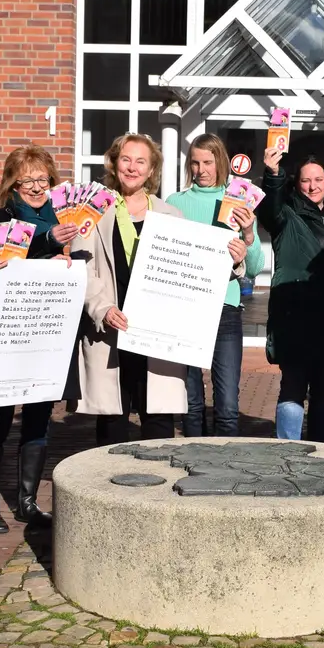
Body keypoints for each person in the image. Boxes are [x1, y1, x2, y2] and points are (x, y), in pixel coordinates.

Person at [72, 134, 246, 444]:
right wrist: (103, 309)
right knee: (112, 423)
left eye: (141, 161)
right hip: (111, 328)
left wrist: (232, 260)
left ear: (152, 170)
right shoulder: (93, 211)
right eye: (126, 159)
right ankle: (106, 491)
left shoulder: (170, 215)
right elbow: (82, 266)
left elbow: (193, 270)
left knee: (159, 423)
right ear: (114, 163)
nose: (132, 167)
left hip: (157, 335)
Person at [0, 144, 79, 527]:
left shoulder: (68, 216)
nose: (35, 186)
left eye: (42, 178)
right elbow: (18, 247)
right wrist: (48, 249)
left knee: (38, 418)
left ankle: (27, 502)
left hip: (48, 332)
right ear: (12, 183)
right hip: (6, 334)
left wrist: (67, 262)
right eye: (26, 179)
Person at [164, 133, 264, 437]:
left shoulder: (238, 202)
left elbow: (257, 267)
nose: (201, 169)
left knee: (228, 406)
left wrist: (248, 233)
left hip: (225, 309)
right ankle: (193, 465)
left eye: (207, 162)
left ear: (219, 162)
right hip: (187, 309)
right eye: (194, 162)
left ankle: (223, 470)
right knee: (191, 404)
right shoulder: (175, 203)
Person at [258, 148, 324, 441]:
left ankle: (321, 451)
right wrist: (273, 175)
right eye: (305, 181)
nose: (313, 186)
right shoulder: (286, 214)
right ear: (296, 184)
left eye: (318, 179)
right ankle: (288, 450)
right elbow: (269, 208)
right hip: (294, 317)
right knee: (293, 387)